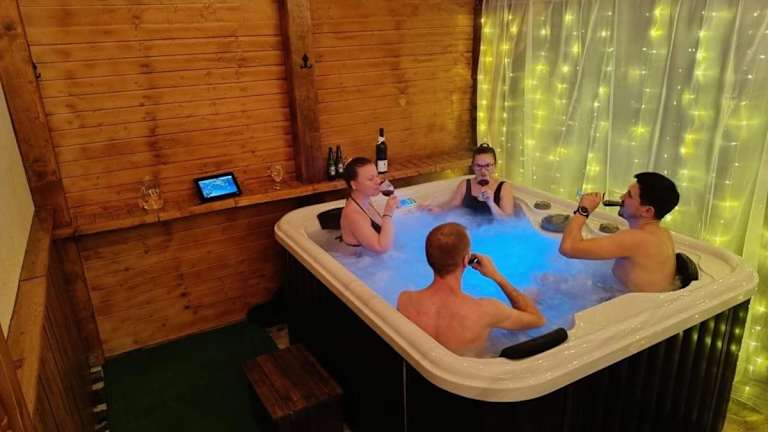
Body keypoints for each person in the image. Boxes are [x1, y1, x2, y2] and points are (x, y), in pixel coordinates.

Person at [397, 223, 545, 357]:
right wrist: (496, 276)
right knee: (533, 295)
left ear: (428, 259)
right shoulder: (486, 310)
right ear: (465, 260)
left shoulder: (405, 301)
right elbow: (537, 320)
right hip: (465, 373)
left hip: (420, 372)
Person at [559, 172, 680, 292]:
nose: (622, 197)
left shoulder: (635, 239)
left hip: (628, 301)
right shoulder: (664, 234)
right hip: (636, 298)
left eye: (629, 195)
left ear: (647, 211)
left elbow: (568, 248)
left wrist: (583, 210)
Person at [422, 143, 514, 217]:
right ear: (473, 166)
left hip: (494, 231)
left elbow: (509, 222)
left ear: (494, 166)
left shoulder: (504, 187)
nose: (483, 171)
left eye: (487, 165)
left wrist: (491, 204)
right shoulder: (465, 185)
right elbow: (453, 205)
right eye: (478, 166)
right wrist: (437, 209)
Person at [339, 157, 399, 253]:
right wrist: (388, 214)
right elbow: (381, 248)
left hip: (368, 257)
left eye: (377, 176)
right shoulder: (353, 214)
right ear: (354, 184)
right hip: (358, 259)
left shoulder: (365, 200)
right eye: (371, 179)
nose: (378, 181)